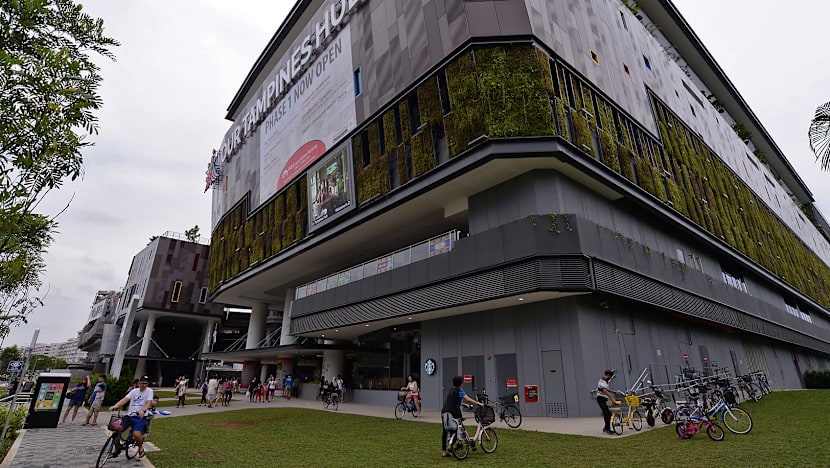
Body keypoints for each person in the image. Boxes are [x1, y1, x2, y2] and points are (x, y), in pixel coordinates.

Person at [108, 375, 154, 459]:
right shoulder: (134, 391)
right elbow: (125, 399)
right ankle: (116, 450)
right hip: (129, 416)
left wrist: (144, 411)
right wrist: (115, 406)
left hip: (140, 417)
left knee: (136, 433)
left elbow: (149, 402)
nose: (144, 385)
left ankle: (140, 448)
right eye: (142, 383)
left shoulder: (149, 391)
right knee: (116, 430)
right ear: (139, 383)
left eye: (146, 383)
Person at [441, 376, 484, 457]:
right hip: (454, 412)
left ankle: (444, 451)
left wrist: (464, 405)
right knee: (458, 429)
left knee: (445, 431)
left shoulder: (451, 390)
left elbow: (453, 401)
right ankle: (450, 446)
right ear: (460, 383)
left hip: (444, 412)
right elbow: (468, 399)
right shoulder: (460, 390)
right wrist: (478, 403)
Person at [596, 369, 620, 435]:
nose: (610, 378)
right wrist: (612, 399)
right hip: (600, 399)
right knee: (606, 413)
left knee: (608, 414)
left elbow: (605, 389)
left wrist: (613, 391)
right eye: (610, 376)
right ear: (608, 375)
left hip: (604, 399)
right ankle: (607, 429)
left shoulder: (605, 380)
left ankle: (606, 427)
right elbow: (605, 390)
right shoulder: (603, 381)